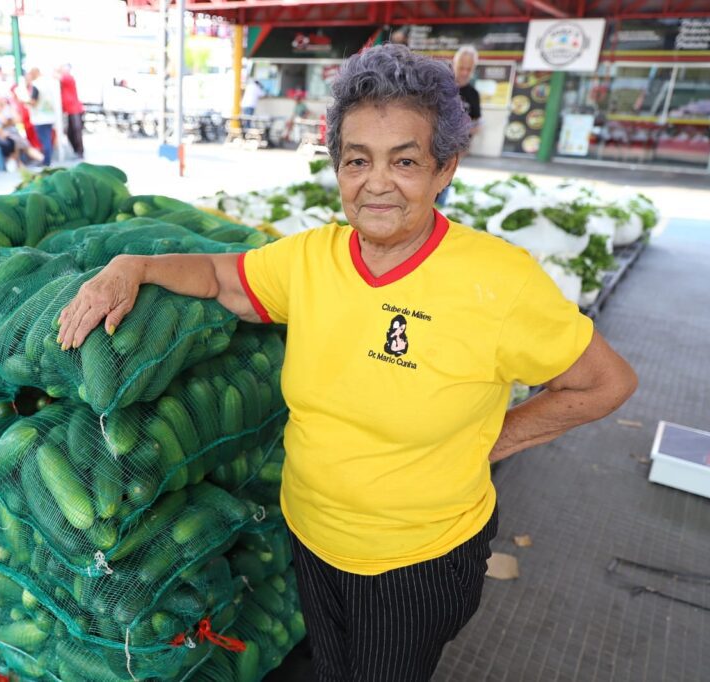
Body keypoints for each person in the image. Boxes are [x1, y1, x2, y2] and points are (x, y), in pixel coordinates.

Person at [57, 44, 637, 682]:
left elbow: (606, 383)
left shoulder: (499, 282)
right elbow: (221, 277)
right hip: (311, 534)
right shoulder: (310, 259)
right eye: (357, 160)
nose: (377, 183)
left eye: (406, 161)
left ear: (445, 168)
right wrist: (131, 267)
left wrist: (492, 441)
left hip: (416, 562)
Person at [437, 45, 483, 206]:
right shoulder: (440, 87)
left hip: (455, 151)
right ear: (454, 64)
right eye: (461, 67)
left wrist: (467, 133)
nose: (464, 72)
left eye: (468, 69)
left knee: (444, 184)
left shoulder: (473, 94)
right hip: (432, 147)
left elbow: (477, 123)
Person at [24, 67, 59, 165]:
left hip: (40, 117)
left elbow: (33, 101)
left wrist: (24, 100)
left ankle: (46, 161)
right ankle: (47, 159)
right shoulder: (49, 83)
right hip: (50, 115)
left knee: (45, 140)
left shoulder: (37, 85)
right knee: (47, 138)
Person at [58, 64, 85, 158]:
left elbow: (59, 77)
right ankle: (76, 150)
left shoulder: (68, 78)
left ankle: (80, 151)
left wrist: (58, 70)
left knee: (76, 130)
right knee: (70, 132)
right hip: (68, 110)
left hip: (74, 109)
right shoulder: (64, 79)